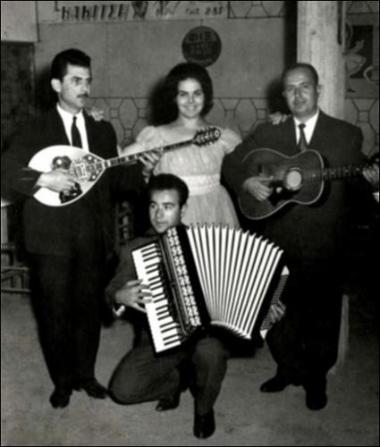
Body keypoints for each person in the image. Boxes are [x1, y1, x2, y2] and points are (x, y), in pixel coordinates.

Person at [1, 49, 159, 409]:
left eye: (88, 80)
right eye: (76, 80)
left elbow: (113, 180)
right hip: (50, 239)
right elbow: (5, 170)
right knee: (55, 313)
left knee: (88, 310)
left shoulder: (101, 128)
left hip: (92, 236)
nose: (84, 87)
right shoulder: (34, 128)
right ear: (57, 84)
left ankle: (86, 375)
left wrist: (144, 171)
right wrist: (43, 177)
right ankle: (62, 380)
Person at [222, 62, 379, 411]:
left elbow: (360, 185)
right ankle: (286, 368)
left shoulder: (346, 134)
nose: (298, 94)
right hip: (276, 238)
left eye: (305, 86)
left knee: (321, 315)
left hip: (326, 240)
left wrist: (375, 184)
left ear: (318, 89)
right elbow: (231, 164)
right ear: (282, 96)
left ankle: (316, 379)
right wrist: (246, 182)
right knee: (278, 311)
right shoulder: (268, 132)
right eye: (290, 89)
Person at [106, 174, 229, 439]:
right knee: (122, 391)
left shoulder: (207, 244)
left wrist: (266, 310)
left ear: (183, 209)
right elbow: (110, 289)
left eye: (168, 206)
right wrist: (119, 296)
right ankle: (174, 382)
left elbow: (242, 286)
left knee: (212, 353)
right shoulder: (135, 249)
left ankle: (204, 409)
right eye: (153, 206)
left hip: (203, 338)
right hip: (157, 340)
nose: (159, 214)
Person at [125, 61, 241, 227]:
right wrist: (92, 121)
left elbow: (254, 158)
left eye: (197, 93)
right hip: (175, 215)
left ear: (206, 95)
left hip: (217, 213)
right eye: (183, 94)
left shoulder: (222, 136)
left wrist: (280, 120)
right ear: (174, 97)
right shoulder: (157, 135)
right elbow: (119, 159)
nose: (191, 100)